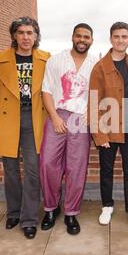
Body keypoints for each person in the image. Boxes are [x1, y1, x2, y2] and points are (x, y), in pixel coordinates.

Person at [0, 17, 50, 240]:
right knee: (11, 170)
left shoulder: (46, 59)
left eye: (30, 33)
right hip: (7, 119)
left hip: (35, 119)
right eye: (21, 32)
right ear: (14, 35)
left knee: (33, 171)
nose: (25, 37)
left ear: (36, 36)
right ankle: (13, 212)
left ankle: (29, 219)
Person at [88, 22, 128, 233]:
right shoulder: (100, 67)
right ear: (111, 39)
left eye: (124, 36)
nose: (120, 40)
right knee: (107, 169)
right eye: (116, 36)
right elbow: (94, 102)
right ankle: (107, 206)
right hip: (107, 126)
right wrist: (98, 133)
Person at [40, 23, 98, 235]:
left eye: (87, 37)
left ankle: (71, 212)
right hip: (58, 115)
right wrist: (54, 117)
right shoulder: (56, 60)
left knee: (77, 167)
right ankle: (51, 208)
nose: (82, 40)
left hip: (82, 120)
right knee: (48, 163)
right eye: (79, 36)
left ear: (91, 40)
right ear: (73, 37)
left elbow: (99, 93)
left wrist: (90, 114)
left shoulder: (96, 63)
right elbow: (46, 90)